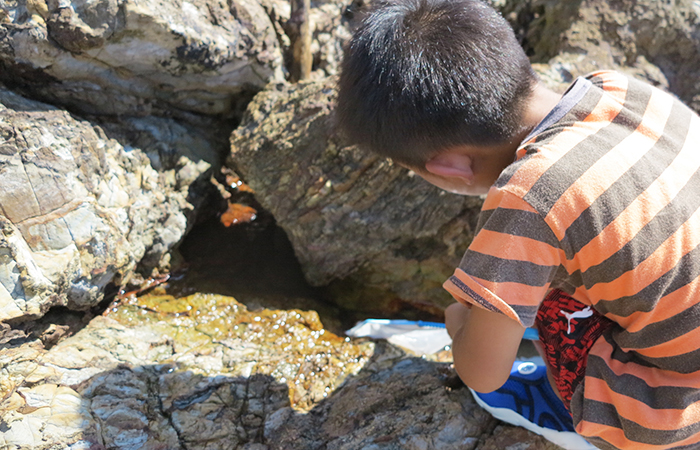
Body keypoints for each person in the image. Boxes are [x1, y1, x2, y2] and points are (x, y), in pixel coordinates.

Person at [335, 0, 700, 449]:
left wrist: (458, 323)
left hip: (678, 410)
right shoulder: (618, 89)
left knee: (538, 295)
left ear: (450, 166)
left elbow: (482, 372)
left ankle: (580, 415)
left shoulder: (528, 196)